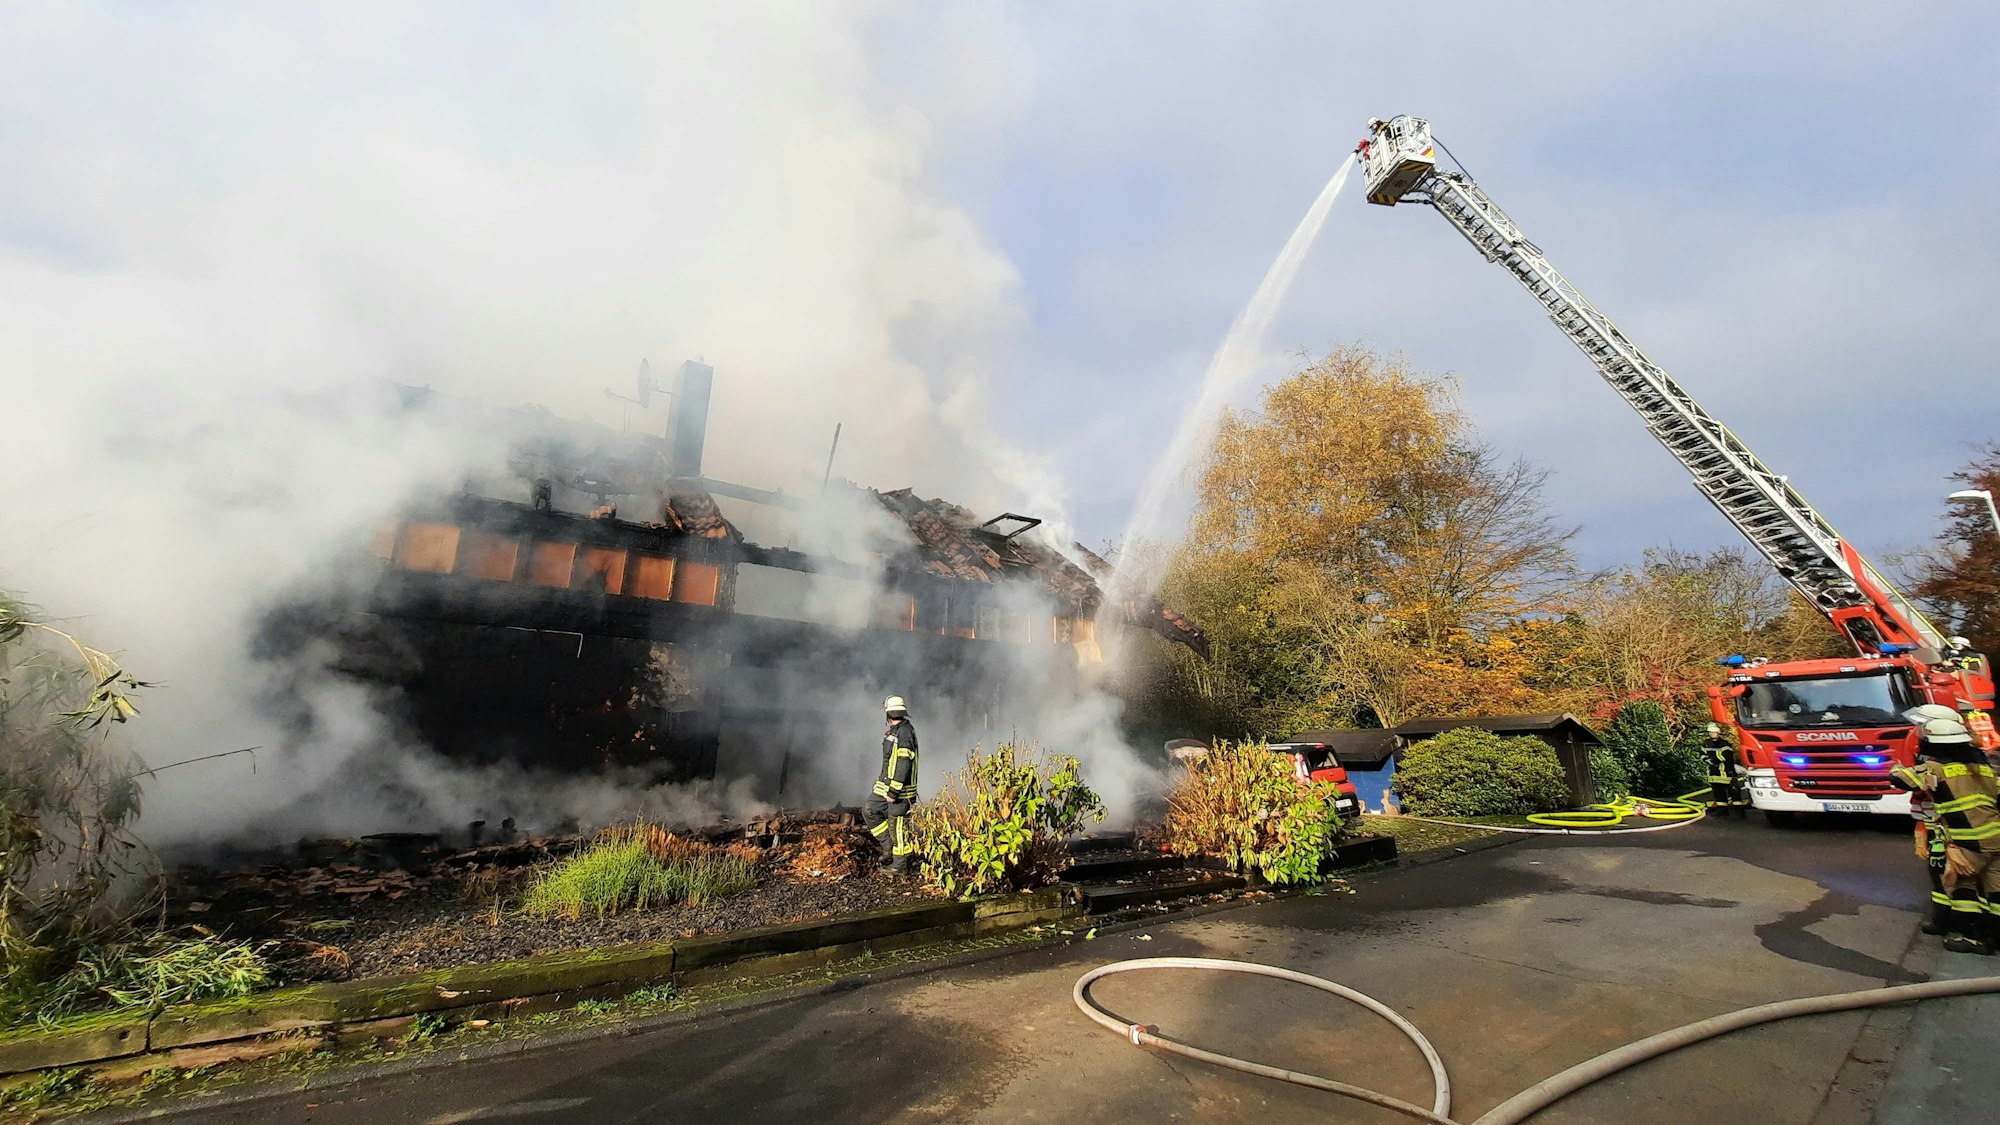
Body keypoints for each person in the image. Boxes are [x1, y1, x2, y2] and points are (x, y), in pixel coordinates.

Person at [1889, 704, 2000, 955]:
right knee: (1996, 891)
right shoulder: (1984, 766)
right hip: (1995, 836)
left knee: (1960, 887)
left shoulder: (1936, 768)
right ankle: (1995, 936)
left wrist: (1896, 767)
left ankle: (1974, 939)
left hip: (1967, 842)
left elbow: (1901, 779)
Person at [863, 695, 919, 875]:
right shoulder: (895, 731)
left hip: (900, 791)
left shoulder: (905, 732)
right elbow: (890, 762)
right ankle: (888, 847)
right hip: (886, 786)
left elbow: (904, 763)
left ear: (888, 714)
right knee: (870, 809)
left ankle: (900, 865)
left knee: (898, 828)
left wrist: (894, 790)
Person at [1703, 722, 1748, 816]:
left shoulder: (1724, 743)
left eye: (1713, 732)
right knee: (1718, 793)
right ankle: (1722, 810)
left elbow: (1726, 755)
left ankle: (1739, 810)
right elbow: (1702, 754)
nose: (1712, 734)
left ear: (1718, 732)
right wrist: (1707, 760)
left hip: (1726, 773)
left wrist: (1714, 760)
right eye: (1710, 732)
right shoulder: (1706, 743)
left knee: (1734, 791)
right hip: (1713, 773)